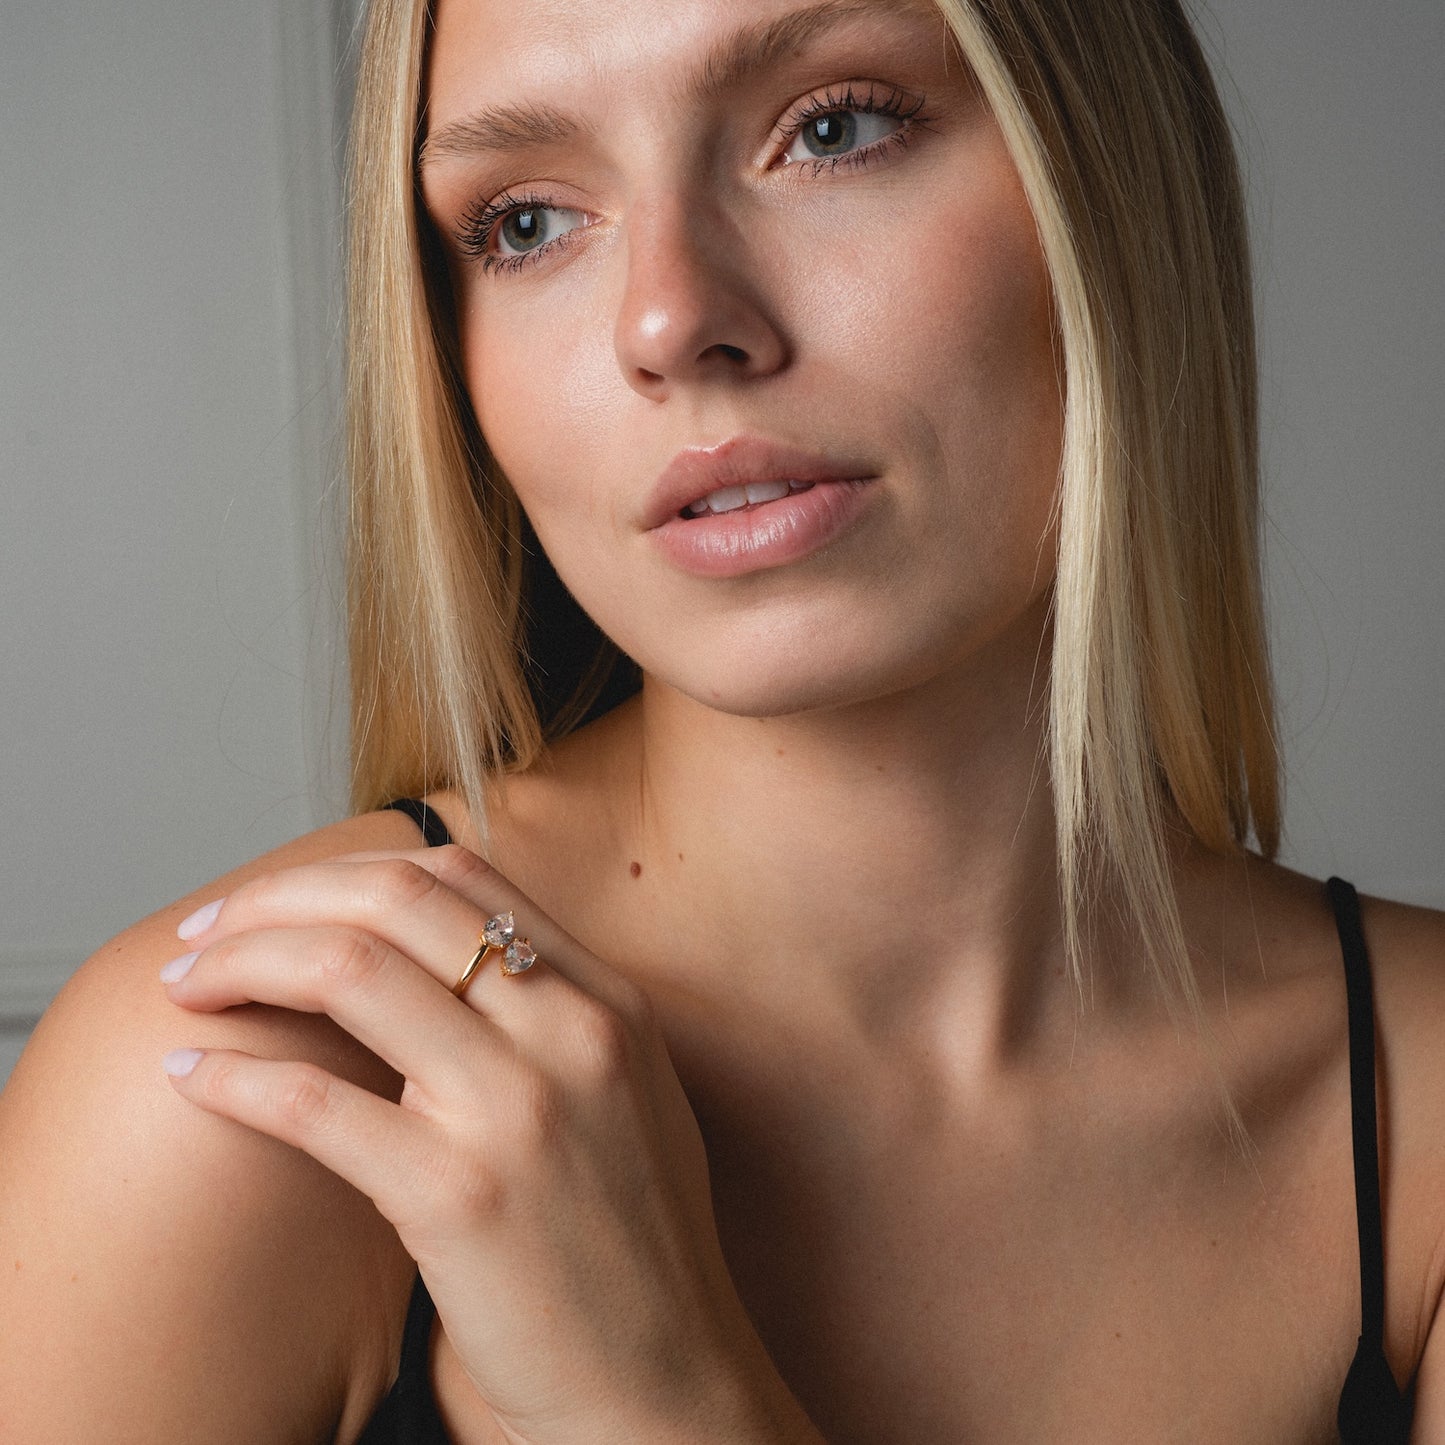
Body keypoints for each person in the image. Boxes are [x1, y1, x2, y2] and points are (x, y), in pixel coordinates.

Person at [1, 0, 1441, 1439]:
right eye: (523, 222)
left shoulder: (1422, 1112)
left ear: (1108, 179)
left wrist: (664, 1401)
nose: (669, 321)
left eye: (833, 128)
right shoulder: (251, 1100)